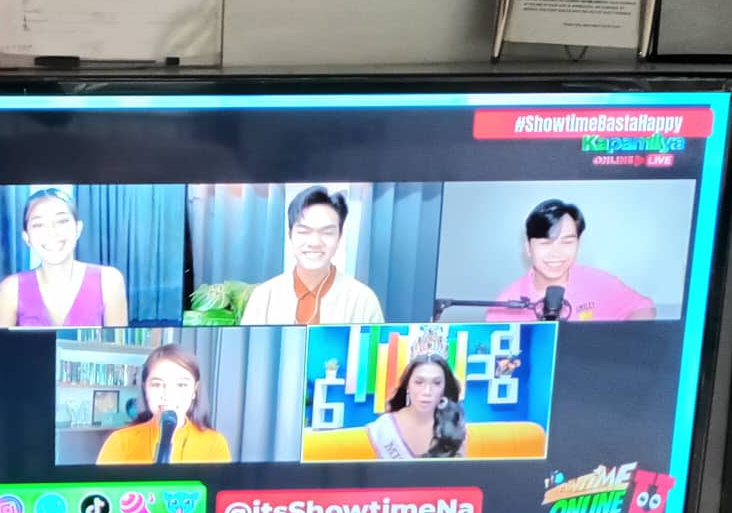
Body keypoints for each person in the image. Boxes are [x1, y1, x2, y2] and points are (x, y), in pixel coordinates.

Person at [487, 199, 656, 322]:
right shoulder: (505, 305)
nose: (556, 253)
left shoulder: (598, 282)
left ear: (578, 244)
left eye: (567, 242)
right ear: (528, 248)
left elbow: (643, 307)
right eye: (545, 243)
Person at [239, 187, 385, 325]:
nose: (314, 243)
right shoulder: (263, 297)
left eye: (327, 232)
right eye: (304, 231)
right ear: (290, 235)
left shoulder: (363, 300)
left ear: (339, 237)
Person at [0, 188, 130, 328]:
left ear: (78, 229)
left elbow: (117, 341)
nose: (52, 233)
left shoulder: (109, 281)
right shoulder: (10, 290)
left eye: (62, 221)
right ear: (27, 237)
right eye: (38, 224)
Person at [96, 343, 232, 464]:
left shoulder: (214, 444)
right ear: (145, 388)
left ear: (194, 391)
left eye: (181, 385)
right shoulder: (120, 442)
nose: (168, 395)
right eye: (157, 384)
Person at [367, 353, 468, 460]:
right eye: (419, 382)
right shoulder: (383, 427)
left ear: (444, 389)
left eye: (436, 383)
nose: (427, 391)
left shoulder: (455, 427)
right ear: (407, 386)